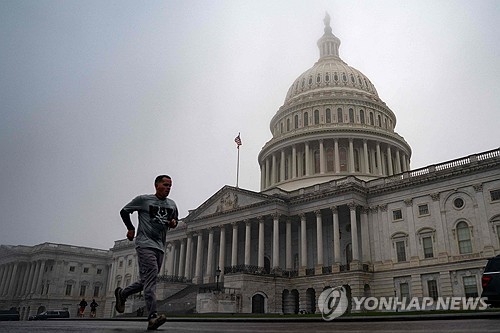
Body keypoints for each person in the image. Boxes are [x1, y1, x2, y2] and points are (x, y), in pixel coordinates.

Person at [115, 175, 179, 331]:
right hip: (145, 244)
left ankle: (122, 294)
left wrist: (173, 222)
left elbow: (175, 220)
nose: (168, 188)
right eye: (165, 185)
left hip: (160, 246)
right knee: (151, 280)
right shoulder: (143, 200)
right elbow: (124, 211)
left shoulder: (172, 204)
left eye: (170, 185)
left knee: (146, 281)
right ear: (156, 185)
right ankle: (152, 316)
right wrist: (130, 228)